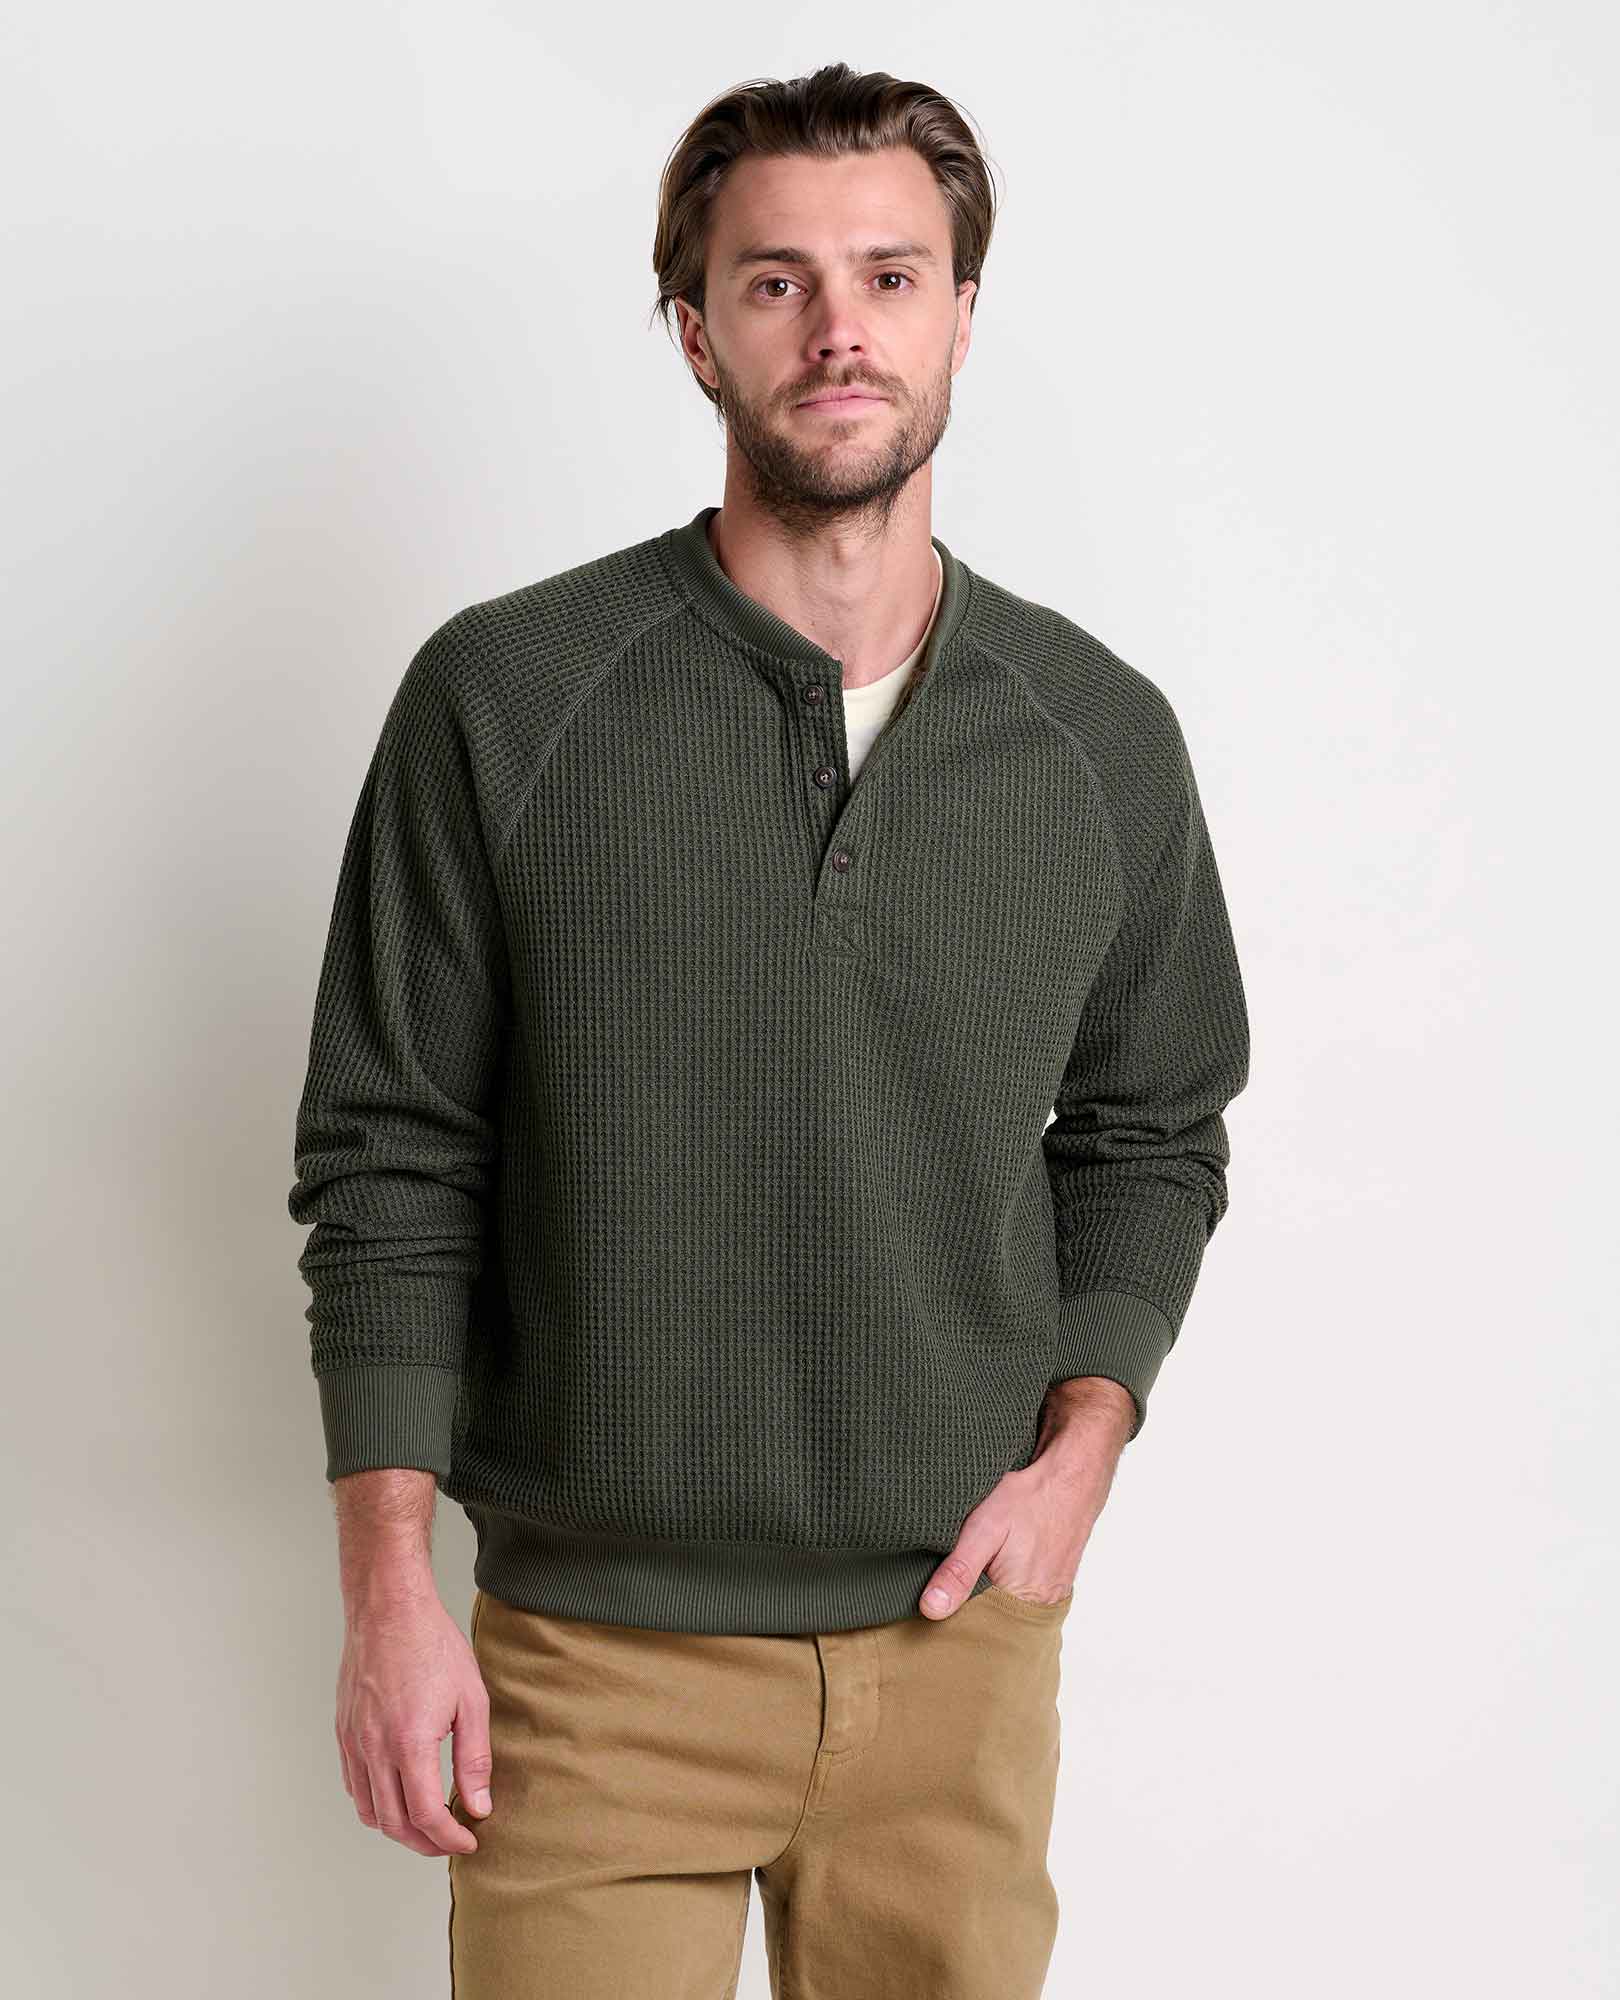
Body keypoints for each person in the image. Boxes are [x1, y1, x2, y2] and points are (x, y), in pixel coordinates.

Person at [288, 59, 1251, 2000]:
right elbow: (390, 1152)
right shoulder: (508, 696)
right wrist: (389, 1590)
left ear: (963, 313)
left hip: (959, 1656)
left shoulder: (1098, 736)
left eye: (891, 276)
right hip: (592, 1667)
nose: (839, 331)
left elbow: (1153, 1126)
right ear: (693, 331)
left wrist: (1086, 1441)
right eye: (776, 281)